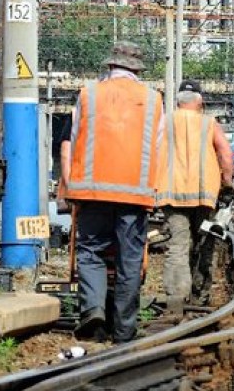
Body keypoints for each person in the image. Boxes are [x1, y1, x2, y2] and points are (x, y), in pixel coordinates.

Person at [65, 41, 164, 343]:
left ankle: (94, 309)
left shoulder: (88, 94)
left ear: (110, 65)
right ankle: (124, 330)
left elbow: (74, 137)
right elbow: (159, 147)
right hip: (134, 194)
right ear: (137, 68)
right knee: (129, 260)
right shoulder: (152, 99)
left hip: (92, 191)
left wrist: (69, 186)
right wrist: (155, 192)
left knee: (91, 252)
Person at [156, 80, 234, 314]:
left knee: (177, 246)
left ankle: (177, 298)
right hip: (205, 195)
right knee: (205, 243)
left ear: (178, 101)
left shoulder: (164, 122)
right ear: (200, 102)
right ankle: (200, 296)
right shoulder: (209, 123)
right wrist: (227, 183)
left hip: (171, 193)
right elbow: (226, 155)